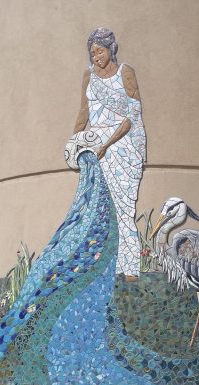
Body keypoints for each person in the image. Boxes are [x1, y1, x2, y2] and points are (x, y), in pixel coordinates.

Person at [73, 27, 146, 282]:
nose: (96, 57)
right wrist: (75, 142)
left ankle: (131, 270)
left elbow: (131, 117)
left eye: (100, 51)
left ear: (110, 49)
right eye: (92, 53)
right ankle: (110, 266)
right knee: (104, 211)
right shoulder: (88, 76)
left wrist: (108, 144)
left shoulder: (125, 73)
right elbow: (84, 111)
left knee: (124, 210)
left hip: (122, 149)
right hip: (97, 149)